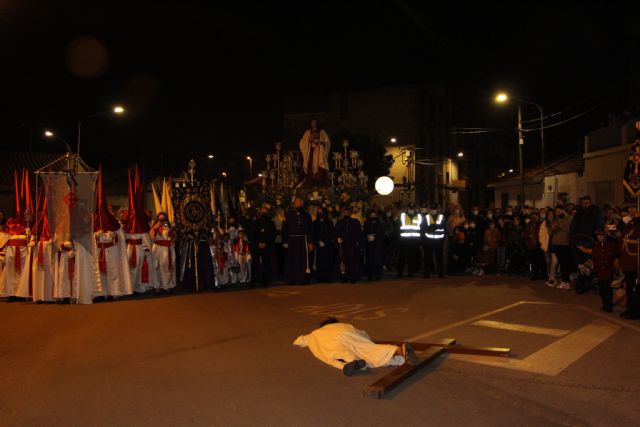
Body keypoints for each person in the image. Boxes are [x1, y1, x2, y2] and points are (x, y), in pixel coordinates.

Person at [293, 317, 417, 376]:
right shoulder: (346, 325)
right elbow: (363, 334)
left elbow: (299, 341)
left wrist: (306, 339)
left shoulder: (315, 333)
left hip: (333, 344)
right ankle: (398, 350)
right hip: (349, 336)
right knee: (368, 349)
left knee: (330, 356)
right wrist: (366, 341)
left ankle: (351, 364)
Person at [94, 171, 133, 301]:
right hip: (99, 251)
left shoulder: (114, 223)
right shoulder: (95, 222)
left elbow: (120, 237)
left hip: (112, 251)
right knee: (100, 274)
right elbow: (89, 237)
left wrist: (113, 235)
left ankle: (113, 292)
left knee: (113, 273)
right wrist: (95, 235)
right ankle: (101, 293)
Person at [578, 229, 618, 312]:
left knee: (607, 289)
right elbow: (593, 257)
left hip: (608, 271)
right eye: (599, 235)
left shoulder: (611, 246)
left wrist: (614, 268)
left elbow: (614, 257)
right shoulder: (597, 246)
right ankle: (605, 304)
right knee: (602, 290)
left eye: (602, 235)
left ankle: (608, 306)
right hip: (599, 271)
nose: (600, 237)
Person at [283, 197, 313, 285]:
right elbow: (285, 228)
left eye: (300, 202)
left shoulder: (307, 215)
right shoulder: (288, 214)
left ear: (302, 203)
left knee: (302, 260)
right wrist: (285, 241)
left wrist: (310, 242)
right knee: (292, 260)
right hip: (292, 241)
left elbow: (310, 230)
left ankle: (302, 279)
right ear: (294, 203)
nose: (298, 203)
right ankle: (291, 279)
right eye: (297, 202)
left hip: (302, 241)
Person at [618, 209, 640, 319]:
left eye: (634, 208)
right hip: (628, 259)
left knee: (634, 286)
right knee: (630, 285)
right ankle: (631, 308)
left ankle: (635, 310)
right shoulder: (630, 223)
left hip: (635, 260)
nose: (631, 211)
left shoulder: (635, 223)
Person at [335, 206, 363, 283]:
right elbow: (336, 233)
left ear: (350, 213)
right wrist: (338, 239)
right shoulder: (339, 222)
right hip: (343, 244)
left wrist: (359, 242)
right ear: (343, 213)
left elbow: (359, 233)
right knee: (343, 261)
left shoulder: (355, 221)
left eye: (348, 212)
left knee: (353, 261)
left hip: (352, 244)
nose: (346, 213)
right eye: (345, 212)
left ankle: (353, 277)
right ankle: (344, 277)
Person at [299, 118, 331, 187]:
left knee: (321, 169)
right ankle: (310, 183)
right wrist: (308, 140)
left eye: (315, 122)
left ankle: (321, 184)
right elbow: (302, 142)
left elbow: (327, 142)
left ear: (317, 123)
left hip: (319, 153)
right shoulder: (307, 132)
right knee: (310, 167)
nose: (314, 124)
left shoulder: (322, 132)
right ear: (310, 124)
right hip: (311, 152)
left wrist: (321, 142)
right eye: (312, 122)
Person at [150, 212, 176, 293]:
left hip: (167, 249)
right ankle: (157, 286)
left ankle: (166, 286)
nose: (161, 221)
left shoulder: (169, 227)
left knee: (166, 267)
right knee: (156, 267)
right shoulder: (154, 227)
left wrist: (172, 234)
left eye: (163, 219)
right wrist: (156, 228)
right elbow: (152, 238)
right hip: (157, 249)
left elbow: (173, 238)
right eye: (160, 219)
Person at [251, 206, 276, 286]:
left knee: (266, 263)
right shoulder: (255, 222)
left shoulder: (271, 223)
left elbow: (272, 234)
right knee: (255, 263)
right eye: (262, 212)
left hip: (267, 246)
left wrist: (266, 243)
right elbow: (253, 234)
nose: (263, 213)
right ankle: (255, 280)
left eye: (265, 212)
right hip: (257, 246)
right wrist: (258, 243)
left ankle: (265, 280)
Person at [550, 205, 573, 290]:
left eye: (559, 211)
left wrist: (560, 225)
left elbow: (570, 229)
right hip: (556, 243)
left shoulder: (570, 218)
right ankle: (563, 281)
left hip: (565, 243)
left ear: (563, 210)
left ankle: (567, 282)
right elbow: (550, 231)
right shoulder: (554, 219)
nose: (557, 213)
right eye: (556, 212)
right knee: (561, 263)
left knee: (565, 263)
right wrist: (553, 228)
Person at [397, 202, 422, 277]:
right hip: (404, 240)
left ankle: (410, 272)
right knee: (402, 257)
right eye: (410, 208)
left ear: (414, 208)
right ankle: (400, 272)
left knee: (412, 257)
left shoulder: (419, 216)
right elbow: (398, 227)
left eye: (412, 208)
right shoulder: (402, 216)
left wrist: (419, 239)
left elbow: (421, 228)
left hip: (414, 240)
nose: (411, 209)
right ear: (408, 208)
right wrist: (399, 236)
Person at [311, 206, 335, 283]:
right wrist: (318, 241)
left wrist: (325, 242)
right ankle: (320, 277)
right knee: (319, 261)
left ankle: (328, 277)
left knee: (328, 261)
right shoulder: (314, 223)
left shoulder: (329, 222)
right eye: (319, 212)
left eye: (322, 212)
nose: (320, 213)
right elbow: (313, 234)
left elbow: (331, 233)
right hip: (318, 245)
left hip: (327, 246)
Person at [422, 204, 445, 278]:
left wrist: (432, 227)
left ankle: (440, 273)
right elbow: (424, 228)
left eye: (434, 209)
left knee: (439, 258)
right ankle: (427, 273)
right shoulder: (426, 217)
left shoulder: (441, 217)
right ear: (430, 209)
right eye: (432, 209)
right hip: (428, 241)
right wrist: (435, 227)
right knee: (427, 258)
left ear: (437, 209)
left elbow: (443, 227)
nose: (433, 210)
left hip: (438, 241)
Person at [363, 209, 385, 281]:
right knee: (370, 260)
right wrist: (367, 237)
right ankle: (370, 275)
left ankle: (377, 275)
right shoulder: (366, 223)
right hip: (369, 245)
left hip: (377, 245)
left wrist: (375, 237)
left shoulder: (380, 224)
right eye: (372, 215)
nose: (373, 216)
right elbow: (364, 233)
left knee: (377, 260)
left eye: (374, 215)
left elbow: (382, 234)